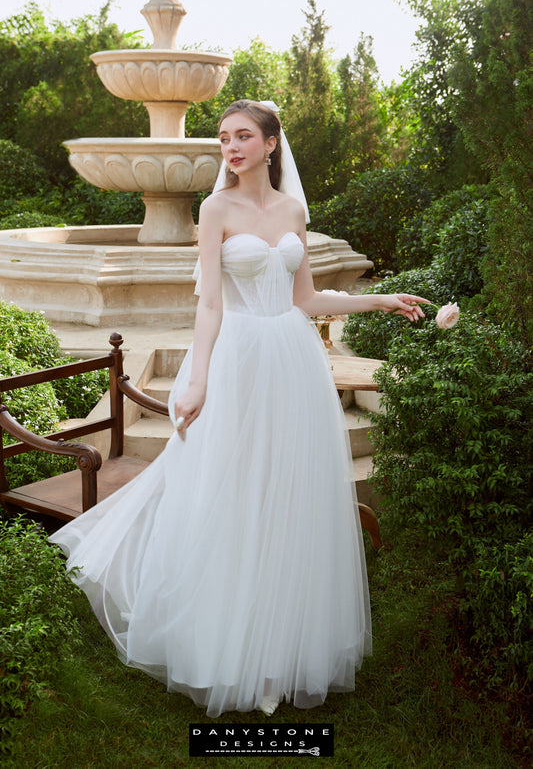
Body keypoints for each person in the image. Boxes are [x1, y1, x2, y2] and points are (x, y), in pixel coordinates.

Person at [50, 100, 427, 718]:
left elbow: (303, 297)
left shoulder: (293, 210)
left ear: (272, 143)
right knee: (235, 492)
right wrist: (196, 380)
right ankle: (227, 648)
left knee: (289, 494)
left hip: (294, 361)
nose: (230, 146)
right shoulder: (215, 208)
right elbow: (209, 306)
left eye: (243, 136)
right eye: (223, 137)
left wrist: (381, 300)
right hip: (240, 359)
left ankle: (280, 653)